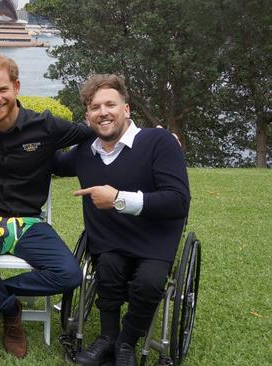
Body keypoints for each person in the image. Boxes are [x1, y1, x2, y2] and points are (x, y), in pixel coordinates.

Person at [0, 54, 92, 358]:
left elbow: (92, 132)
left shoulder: (45, 126)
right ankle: (10, 310)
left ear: (16, 86)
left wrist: (152, 137)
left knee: (69, 275)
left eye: (2, 89)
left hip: (30, 224)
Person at [52, 74, 190, 366]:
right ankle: (108, 338)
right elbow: (49, 162)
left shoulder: (158, 141)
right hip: (109, 243)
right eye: (95, 107)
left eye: (110, 104)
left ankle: (126, 342)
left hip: (153, 242)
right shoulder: (84, 152)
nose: (103, 112)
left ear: (126, 109)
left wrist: (118, 199)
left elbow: (178, 201)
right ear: (88, 116)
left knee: (149, 283)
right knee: (109, 271)